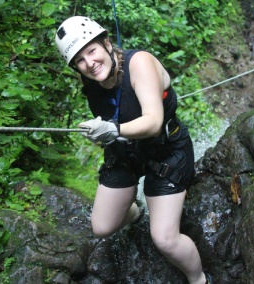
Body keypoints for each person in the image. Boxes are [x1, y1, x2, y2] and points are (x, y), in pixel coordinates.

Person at [55, 16, 213, 284]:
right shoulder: (92, 82)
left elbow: (153, 122)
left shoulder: (139, 63)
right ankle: (135, 211)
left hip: (166, 151)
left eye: (92, 51)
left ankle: (199, 279)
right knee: (101, 227)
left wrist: (112, 130)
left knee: (164, 239)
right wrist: (103, 132)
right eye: (80, 60)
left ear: (106, 43)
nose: (89, 63)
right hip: (126, 152)